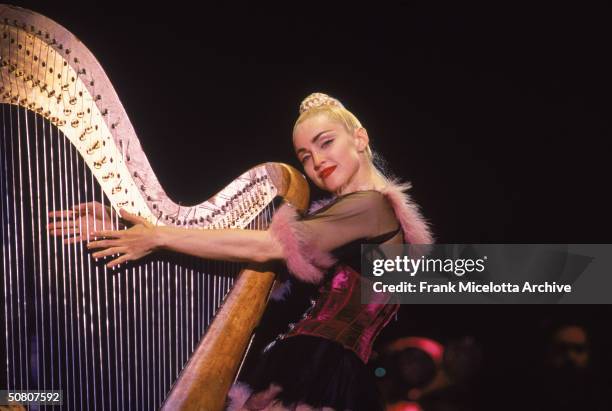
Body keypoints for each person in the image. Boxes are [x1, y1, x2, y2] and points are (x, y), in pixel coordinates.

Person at [48, 92, 433, 410]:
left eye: (326, 142)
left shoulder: (372, 206)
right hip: (315, 370)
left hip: (320, 376)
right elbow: (233, 243)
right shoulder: (355, 217)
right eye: (304, 156)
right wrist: (128, 224)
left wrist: (157, 235)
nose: (317, 161)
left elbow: (269, 246)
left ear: (360, 138)